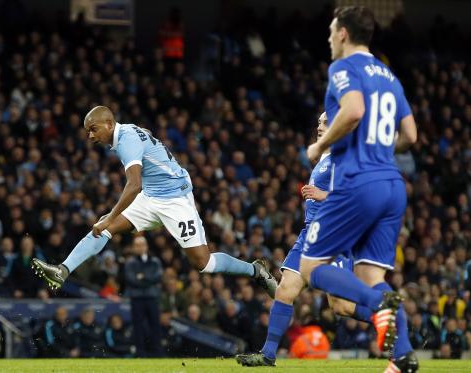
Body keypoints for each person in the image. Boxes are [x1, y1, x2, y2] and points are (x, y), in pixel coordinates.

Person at [32, 106, 276, 297]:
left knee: (203, 262)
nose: (91, 135)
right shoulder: (126, 131)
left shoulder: (126, 141)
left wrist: (111, 216)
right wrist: (110, 220)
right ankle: (62, 270)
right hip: (151, 196)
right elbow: (146, 136)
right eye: (88, 131)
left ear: (109, 124)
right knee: (103, 229)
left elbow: (134, 184)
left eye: (94, 129)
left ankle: (256, 270)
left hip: (175, 198)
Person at [300, 6, 418, 372]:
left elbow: (351, 111)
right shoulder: (389, 75)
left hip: (359, 182)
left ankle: (378, 306)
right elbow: (411, 135)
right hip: (393, 185)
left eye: (332, 31)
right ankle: (402, 358)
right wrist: (380, 146)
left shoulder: (343, 68)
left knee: (310, 266)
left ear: (344, 34)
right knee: (372, 275)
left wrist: (319, 147)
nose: (330, 38)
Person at [237, 113, 361, 366]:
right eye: (318, 121)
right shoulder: (326, 155)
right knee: (285, 290)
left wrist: (321, 194)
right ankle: (268, 354)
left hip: (333, 235)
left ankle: (387, 317)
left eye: (325, 122)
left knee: (341, 307)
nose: (319, 126)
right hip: (310, 235)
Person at [124, 236, 163, 357]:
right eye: (137, 245)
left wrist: (142, 277)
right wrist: (148, 279)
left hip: (152, 297)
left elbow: (158, 277)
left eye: (142, 245)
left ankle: (156, 351)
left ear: (146, 246)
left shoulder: (155, 261)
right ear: (134, 248)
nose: (140, 247)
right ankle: (140, 352)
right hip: (137, 298)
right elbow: (131, 280)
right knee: (138, 326)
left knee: (155, 324)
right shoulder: (130, 262)